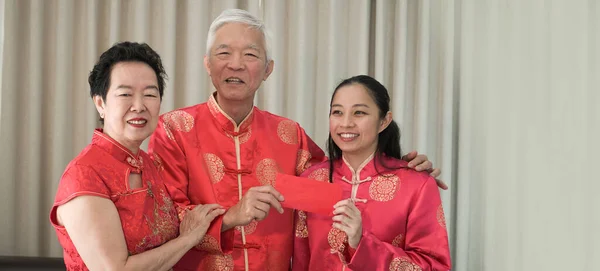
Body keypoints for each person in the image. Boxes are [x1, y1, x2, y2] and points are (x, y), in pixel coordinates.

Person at [148, 9, 443, 271]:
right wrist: (229, 217)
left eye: (250, 54)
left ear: (268, 69)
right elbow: (163, 219)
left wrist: (398, 168)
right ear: (207, 64)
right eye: (223, 53)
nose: (236, 64)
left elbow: (340, 173)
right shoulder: (174, 129)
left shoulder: (289, 134)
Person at [50, 42, 225, 271]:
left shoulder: (150, 164)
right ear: (100, 103)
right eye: (125, 94)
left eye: (150, 94)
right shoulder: (84, 175)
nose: (139, 106)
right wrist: (187, 239)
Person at [291, 75, 451, 271]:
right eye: (337, 112)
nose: (346, 123)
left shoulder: (417, 185)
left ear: (384, 121)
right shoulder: (311, 180)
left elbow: (436, 266)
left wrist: (362, 244)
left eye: (359, 112)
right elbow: (301, 260)